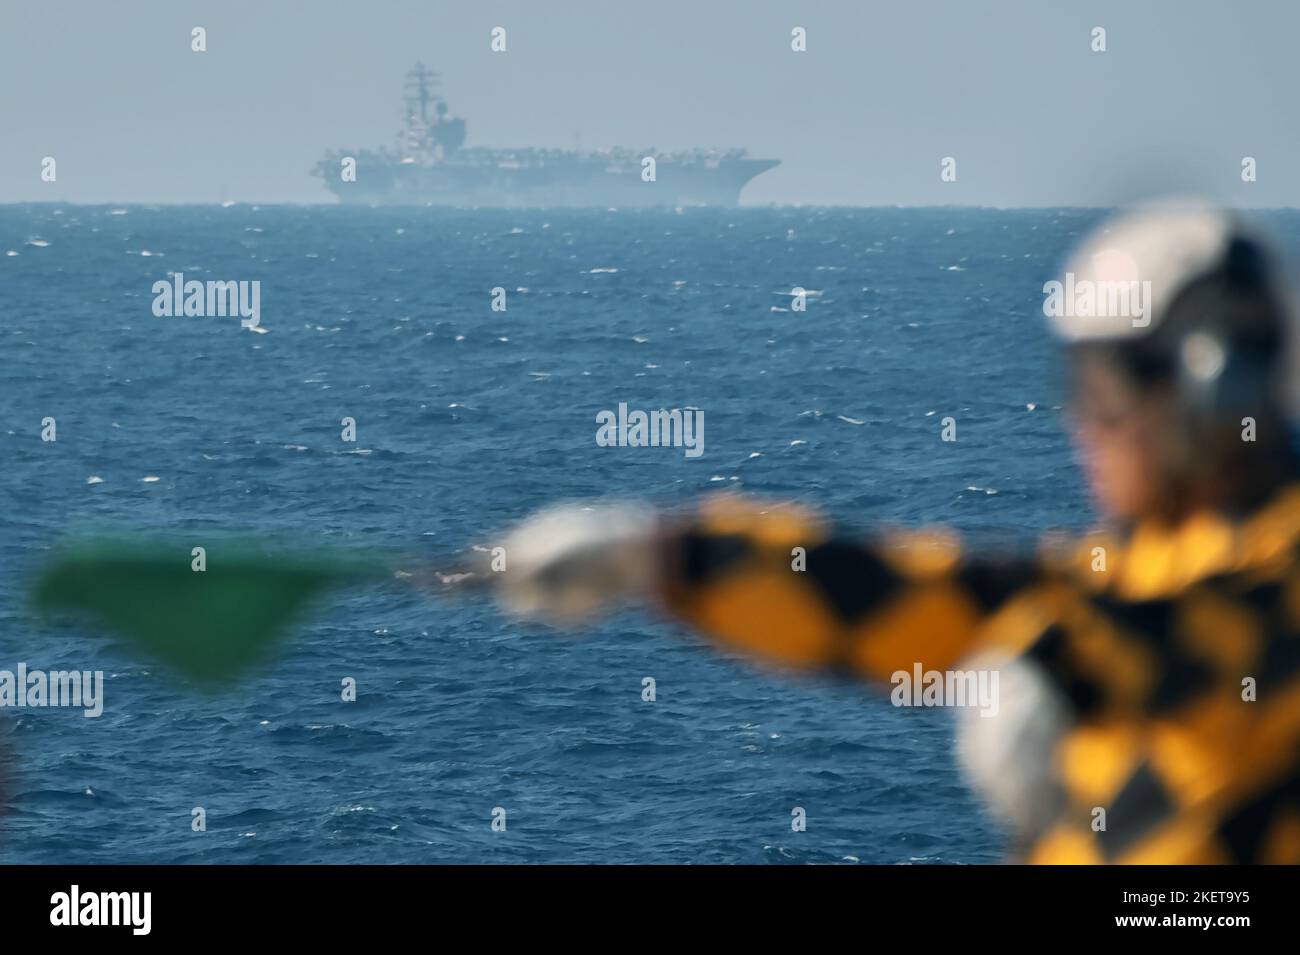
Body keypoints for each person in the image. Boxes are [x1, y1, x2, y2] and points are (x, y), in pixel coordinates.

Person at [494, 201, 1300, 863]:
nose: (1080, 417)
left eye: (1104, 382)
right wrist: (665, 555)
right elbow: (928, 597)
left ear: (1211, 379)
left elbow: (1228, 633)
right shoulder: (1138, 567)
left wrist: (1061, 663)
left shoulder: (1254, 580)